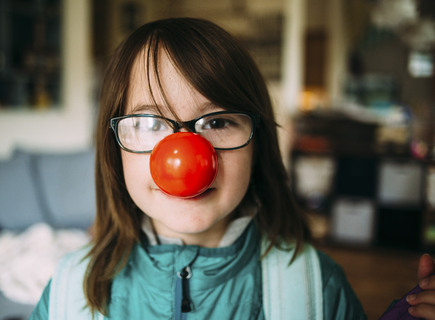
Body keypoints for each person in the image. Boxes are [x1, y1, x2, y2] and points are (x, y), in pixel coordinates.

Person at [29, 18, 435, 320]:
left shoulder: (317, 288)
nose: (184, 155)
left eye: (217, 122)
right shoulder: (68, 292)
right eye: (151, 123)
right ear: (113, 148)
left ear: (257, 144)